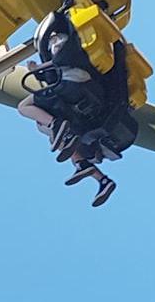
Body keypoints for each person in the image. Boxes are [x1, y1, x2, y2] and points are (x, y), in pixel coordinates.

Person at [17, 58, 118, 207]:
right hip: (77, 86)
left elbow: (61, 57)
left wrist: (36, 68)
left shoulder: (60, 47)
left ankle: (56, 125)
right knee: (54, 137)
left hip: (71, 83)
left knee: (24, 107)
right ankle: (99, 177)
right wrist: (38, 72)